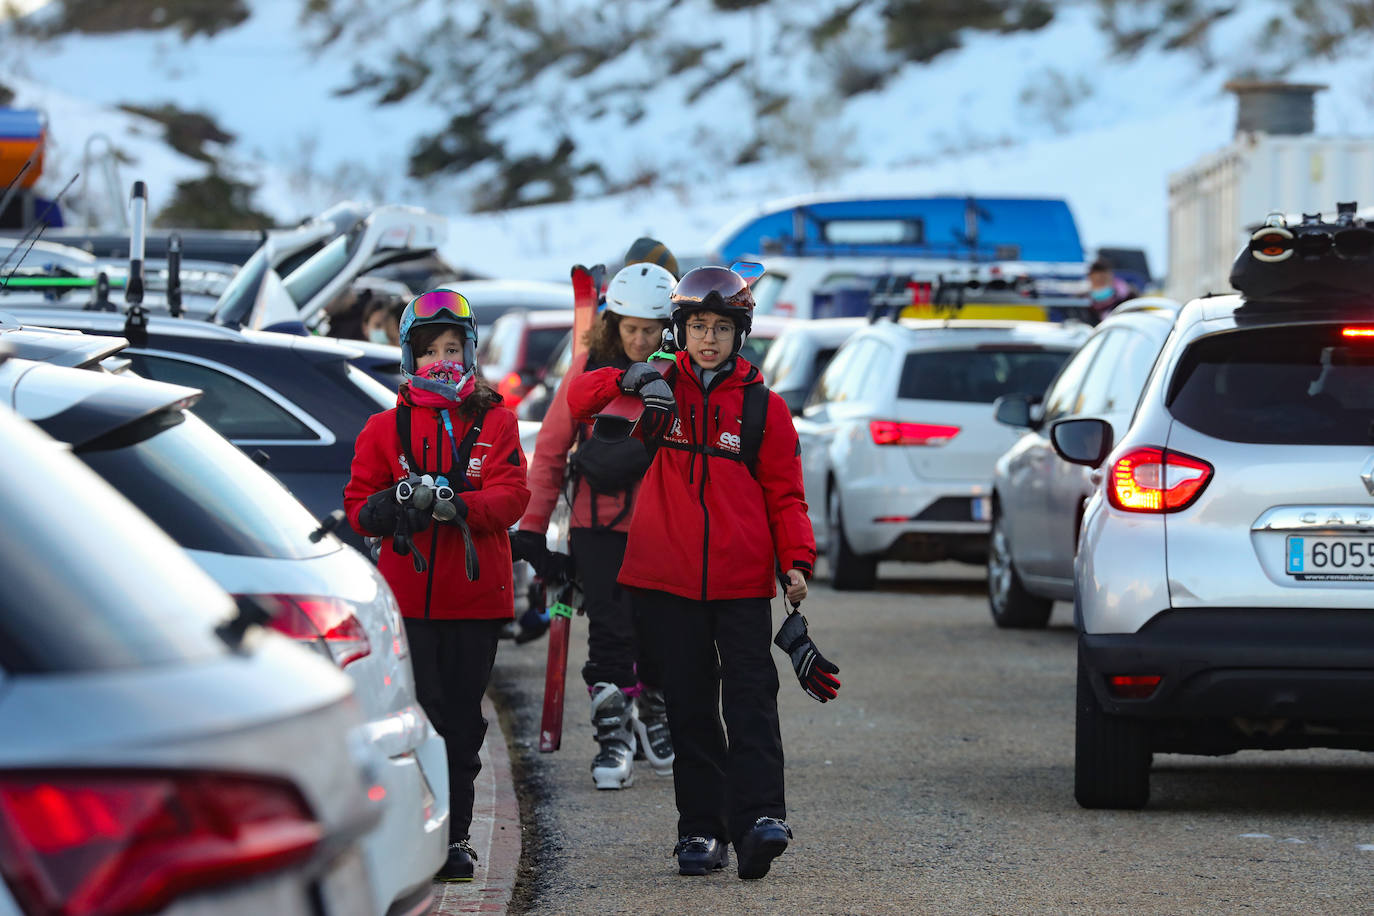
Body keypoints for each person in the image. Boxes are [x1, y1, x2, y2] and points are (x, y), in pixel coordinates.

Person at [567, 265, 833, 881]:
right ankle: (701, 832)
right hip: (666, 581)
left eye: (720, 327)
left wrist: (795, 561)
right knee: (689, 708)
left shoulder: (765, 408)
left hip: (742, 583)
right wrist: (626, 374)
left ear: (740, 334)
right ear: (679, 331)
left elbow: (786, 495)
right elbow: (580, 400)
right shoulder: (656, 384)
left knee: (752, 703)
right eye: (696, 326)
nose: (708, 338)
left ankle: (762, 821)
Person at [344, 289, 530, 882]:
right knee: (417, 719)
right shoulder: (382, 427)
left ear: (471, 352)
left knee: (461, 722)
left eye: (453, 348)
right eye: (430, 352)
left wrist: (458, 508)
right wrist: (396, 504)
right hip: (410, 601)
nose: (442, 361)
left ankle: (456, 838)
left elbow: (513, 497)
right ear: (409, 357)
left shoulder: (498, 422)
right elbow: (357, 507)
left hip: (475, 600)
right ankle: (412, 836)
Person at [511, 259, 678, 790]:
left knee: (660, 633)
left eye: (650, 329)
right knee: (609, 633)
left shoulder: (681, 371)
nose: (638, 339)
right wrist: (533, 530)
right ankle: (613, 740)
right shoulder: (588, 370)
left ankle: (654, 712)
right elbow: (552, 451)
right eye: (629, 327)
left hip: (664, 527)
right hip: (597, 526)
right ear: (613, 323)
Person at [1087, 257, 1138, 321]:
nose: (1099, 283)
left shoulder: (1129, 297)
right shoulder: (1083, 303)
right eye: (1095, 281)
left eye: (1102, 279)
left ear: (1111, 276)